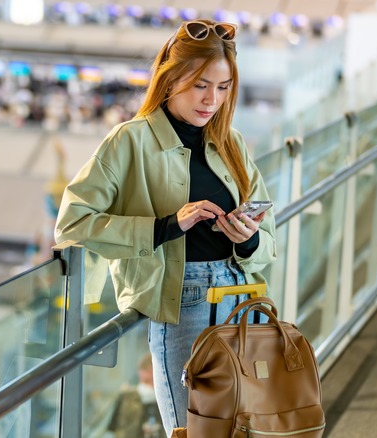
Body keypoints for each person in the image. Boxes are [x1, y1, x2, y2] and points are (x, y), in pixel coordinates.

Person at [54, 19, 276, 435]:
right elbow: (73, 222)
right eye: (200, 85)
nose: (212, 99)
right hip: (181, 302)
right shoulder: (129, 141)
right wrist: (166, 226)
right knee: (193, 431)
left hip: (241, 300)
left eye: (224, 87)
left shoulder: (232, 143)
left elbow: (270, 240)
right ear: (170, 78)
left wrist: (247, 240)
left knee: (245, 430)